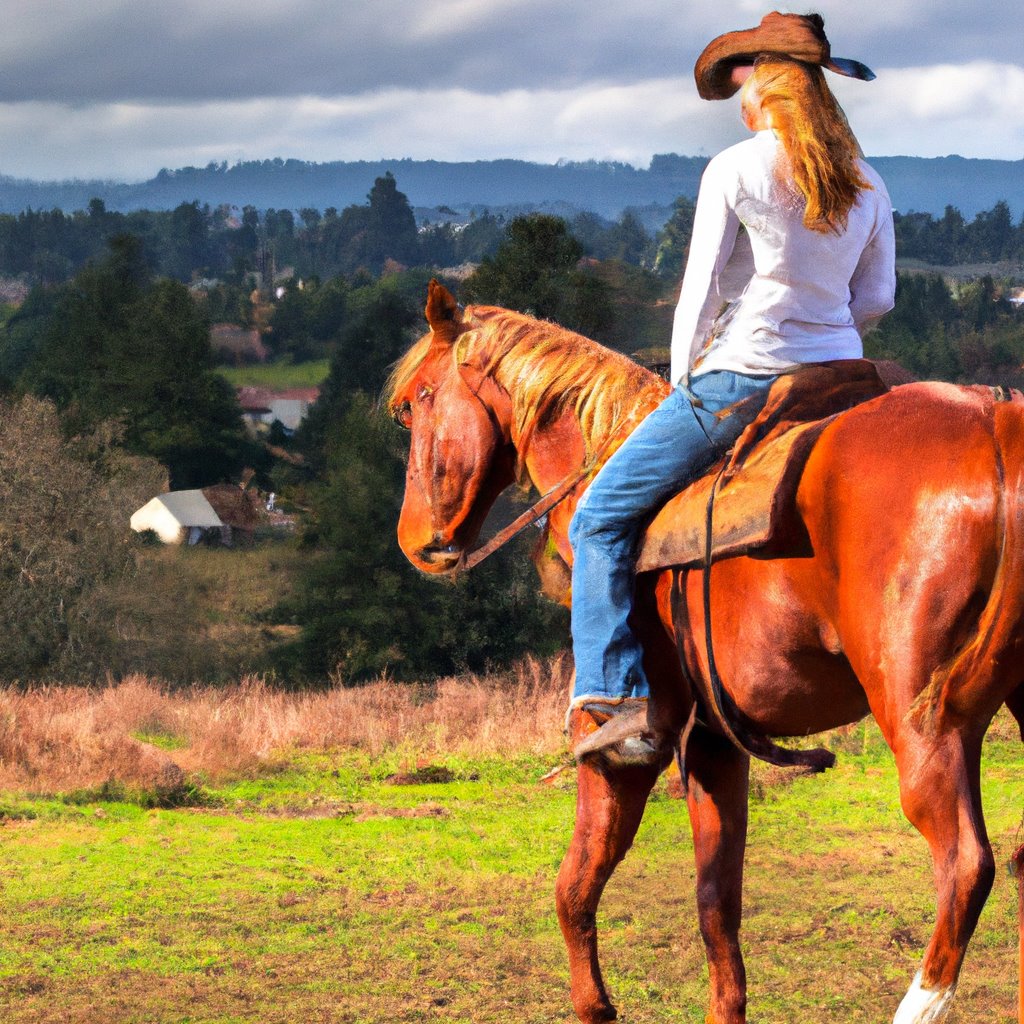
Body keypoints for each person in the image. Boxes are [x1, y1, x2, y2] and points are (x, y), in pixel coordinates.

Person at [568, 13, 896, 766]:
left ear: (766, 89)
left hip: (742, 378)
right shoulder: (868, 179)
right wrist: (828, 330)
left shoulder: (737, 168)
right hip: (842, 379)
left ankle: (614, 701)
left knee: (599, 517)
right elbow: (876, 298)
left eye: (746, 81)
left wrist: (680, 390)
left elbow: (698, 298)